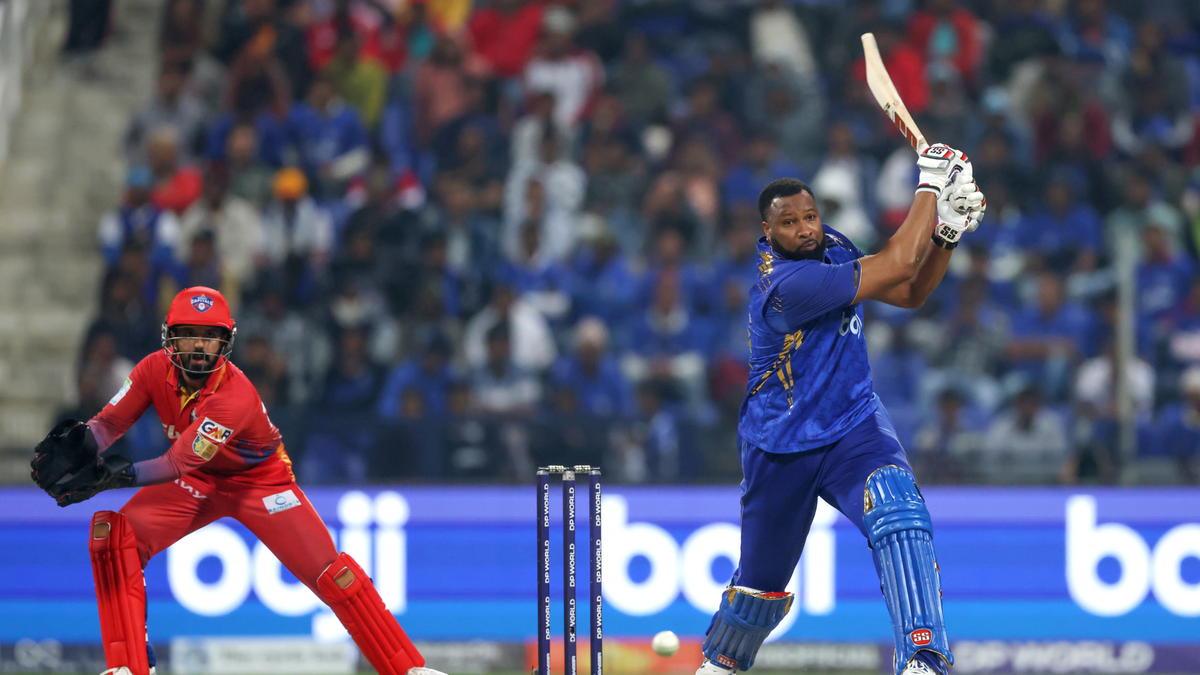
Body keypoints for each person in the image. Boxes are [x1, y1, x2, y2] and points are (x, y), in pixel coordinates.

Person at [29, 287, 447, 675]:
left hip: (259, 484)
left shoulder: (234, 396)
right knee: (112, 537)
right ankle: (130, 667)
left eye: (209, 337)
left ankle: (408, 669)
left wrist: (113, 477)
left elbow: (176, 463)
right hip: (197, 481)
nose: (198, 346)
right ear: (170, 337)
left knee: (331, 574)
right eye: (188, 335)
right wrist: (82, 443)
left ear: (225, 342)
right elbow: (108, 424)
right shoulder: (152, 369)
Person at [695, 145, 986, 675]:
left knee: (900, 513)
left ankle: (923, 658)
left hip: (853, 423)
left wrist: (946, 232)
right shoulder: (785, 286)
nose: (805, 229)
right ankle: (720, 664)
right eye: (789, 223)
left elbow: (910, 290)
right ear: (767, 231)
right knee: (759, 589)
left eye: (810, 216)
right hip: (781, 443)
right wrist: (930, 186)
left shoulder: (832, 247)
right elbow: (898, 261)